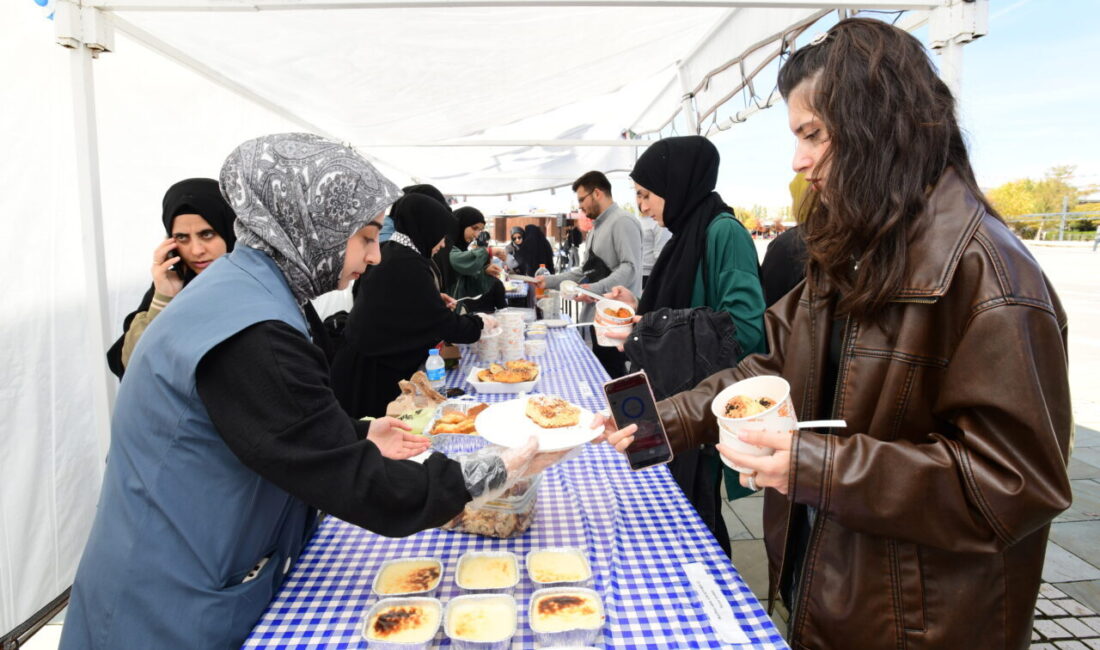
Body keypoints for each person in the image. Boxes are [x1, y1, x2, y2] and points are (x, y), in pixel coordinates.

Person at [596, 19, 1071, 649]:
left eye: (812, 134)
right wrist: (652, 420)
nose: (798, 161)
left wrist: (812, 465)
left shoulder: (993, 277)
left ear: (883, 126)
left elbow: (1014, 484)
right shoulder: (854, 251)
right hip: (827, 577)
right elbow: (762, 369)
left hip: (916, 623)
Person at [62, 134, 559, 650]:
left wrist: (358, 432)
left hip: (189, 574)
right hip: (163, 608)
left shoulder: (244, 288)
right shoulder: (251, 331)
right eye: (364, 238)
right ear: (309, 225)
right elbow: (359, 485)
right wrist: (496, 469)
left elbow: (267, 419)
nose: (373, 258)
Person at [603, 135, 767, 555]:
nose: (641, 206)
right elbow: (688, 308)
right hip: (677, 395)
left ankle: (714, 594)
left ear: (676, 183)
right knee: (678, 509)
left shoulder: (723, 233)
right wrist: (640, 310)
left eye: (645, 194)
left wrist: (653, 326)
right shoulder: (684, 234)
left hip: (702, 401)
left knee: (699, 513)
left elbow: (746, 327)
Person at [331, 193, 493, 418]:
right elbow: (443, 325)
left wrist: (433, 299)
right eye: (441, 236)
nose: (443, 243)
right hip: (370, 374)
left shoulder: (394, 252)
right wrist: (479, 322)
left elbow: (403, 306)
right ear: (427, 229)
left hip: (365, 360)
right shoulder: (407, 264)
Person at [105, 178, 235, 378]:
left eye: (207, 234)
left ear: (230, 230)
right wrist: (163, 298)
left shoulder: (260, 282)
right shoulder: (175, 284)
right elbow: (133, 367)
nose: (196, 250)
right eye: (182, 237)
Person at [535, 171, 642, 377]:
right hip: (598, 320)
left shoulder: (622, 221)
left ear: (598, 193)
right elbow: (584, 272)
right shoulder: (596, 228)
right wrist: (548, 281)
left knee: (615, 379)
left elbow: (629, 267)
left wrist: (593, 290)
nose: (580, 206)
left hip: (617, 322)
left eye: (582, 199)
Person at [447, 206, 507, 312]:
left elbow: (470, 289)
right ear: (460, 225)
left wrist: (485, 272)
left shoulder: (460, 249)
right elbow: (456, 260)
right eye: (474, 228)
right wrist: (488, 251)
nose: (476, 235)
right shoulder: (443, 246)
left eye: (480, 230)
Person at [637, 210, 671, 289]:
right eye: (639, 197)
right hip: (635, 275)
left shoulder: (659, 223)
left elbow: (661, 256)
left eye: (646, 197)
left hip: (650, 276)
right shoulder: (636, 221)